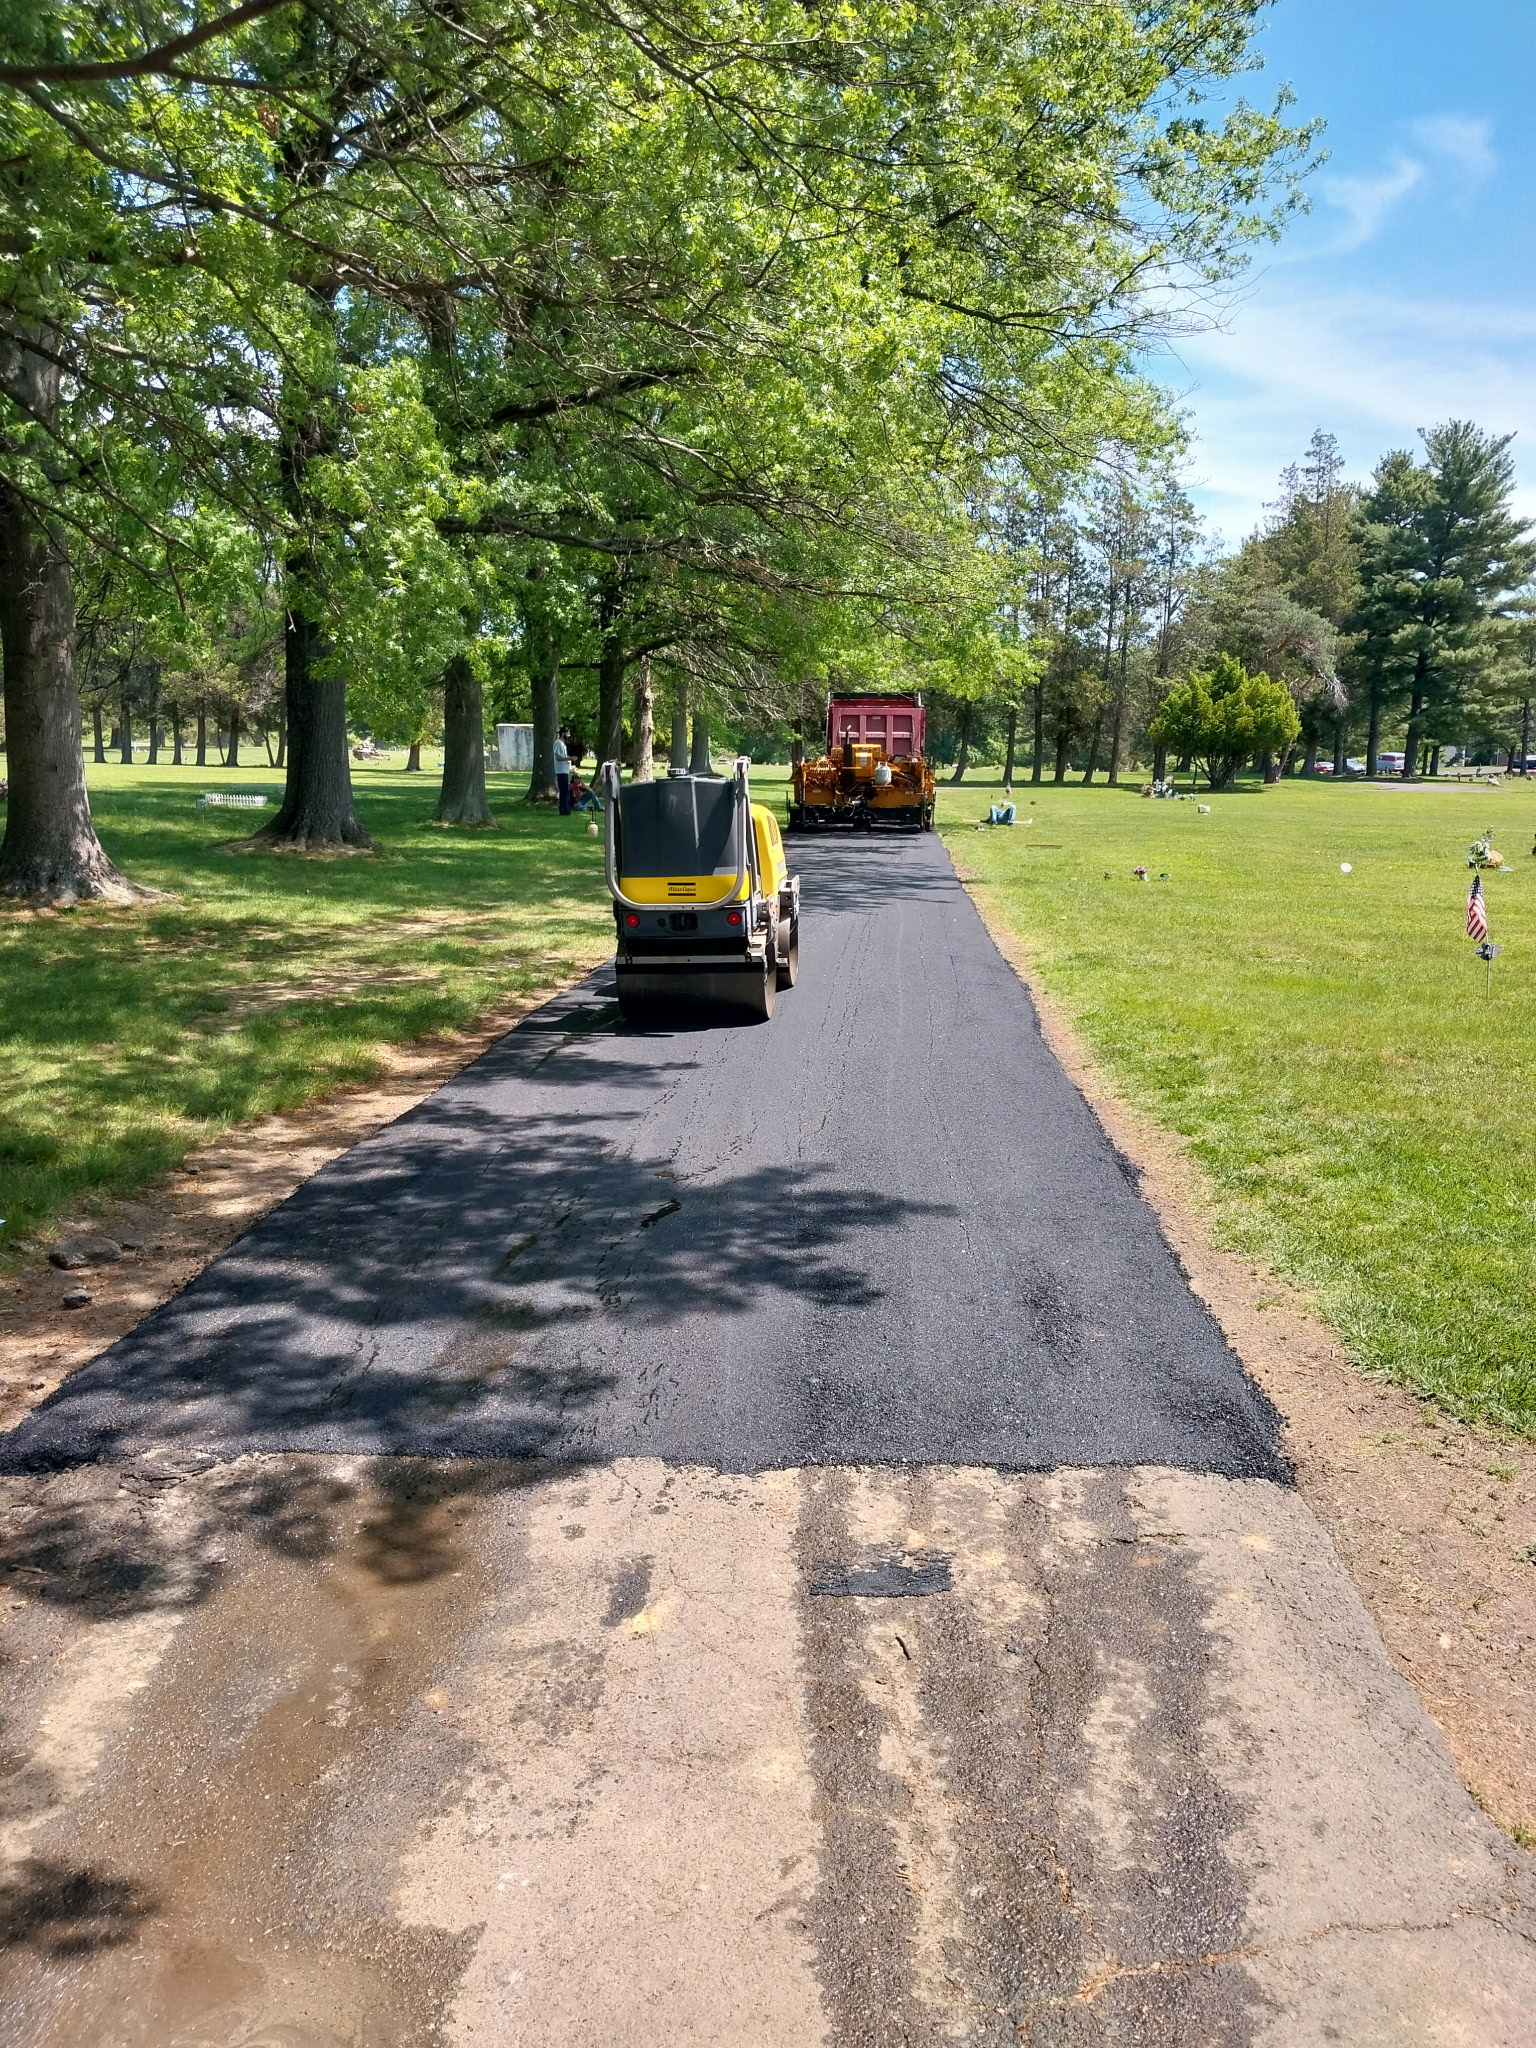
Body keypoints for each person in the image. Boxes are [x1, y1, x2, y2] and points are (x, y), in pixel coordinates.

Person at [554, 727, 572, 814]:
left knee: (565, 790)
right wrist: (569, 758)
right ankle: (563, 810)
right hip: (560, 770)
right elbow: (557, 757)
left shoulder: (563, 744)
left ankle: (566, 809)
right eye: (567, 733)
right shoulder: (558, 743)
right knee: (564, 791)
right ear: (563, 733)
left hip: (564, 770)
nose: (569, 735)